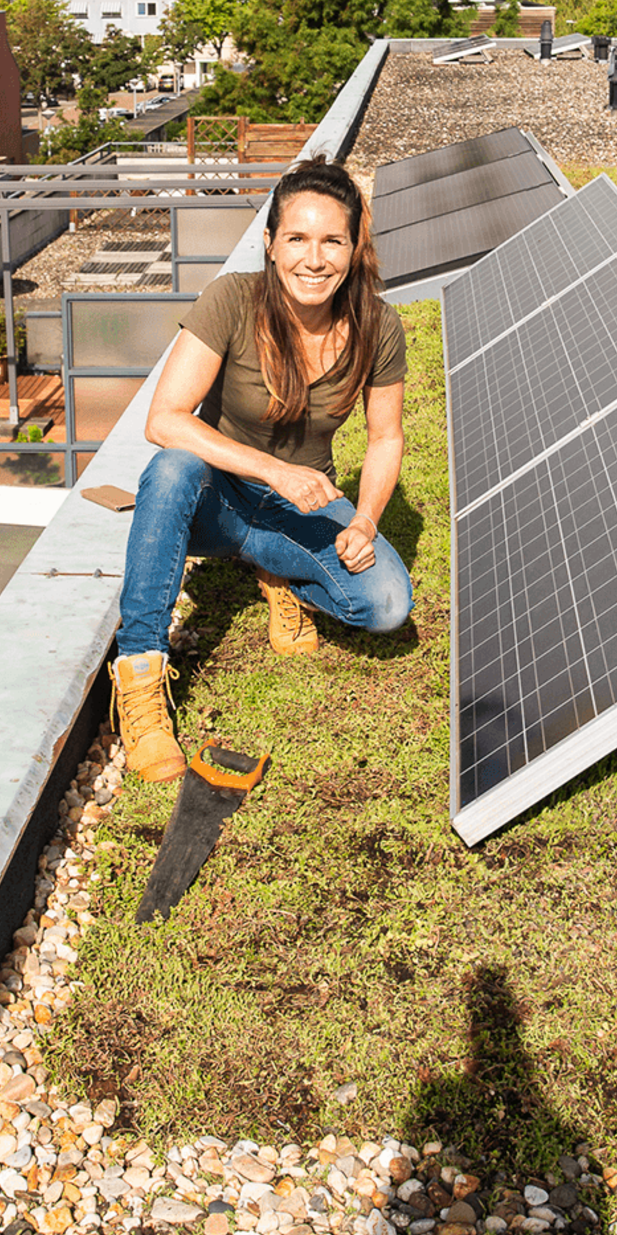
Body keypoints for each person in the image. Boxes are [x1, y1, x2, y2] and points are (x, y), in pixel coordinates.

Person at [110, 157, 414, 779]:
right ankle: (139, 679)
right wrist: (274, 471)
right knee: (170, 470)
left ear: (355, 248)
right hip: (215, 500)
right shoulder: (231, 300)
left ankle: (276, 572)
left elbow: (385, 439)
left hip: (300, 508)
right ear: (271, 244)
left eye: (333, 240)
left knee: (384, 605)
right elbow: (164, 419)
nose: (314, 258)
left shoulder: (379, 326)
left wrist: (364, 520)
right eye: (297, 239)